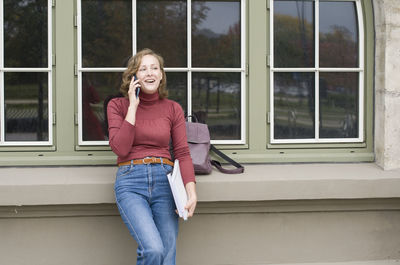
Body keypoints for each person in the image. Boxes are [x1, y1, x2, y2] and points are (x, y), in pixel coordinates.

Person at [107, 48, 197, 265]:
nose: (150, 73)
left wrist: (191, 193)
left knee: (167, 253)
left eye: (154, 68)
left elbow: (183, 153)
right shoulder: (117, 106)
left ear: (161, 75)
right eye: (143, 69)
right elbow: (120, 148)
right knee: (153, 249)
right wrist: (133, 106)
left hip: (165, 182)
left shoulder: (173, 109)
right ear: (133, 76)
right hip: (131, 182)